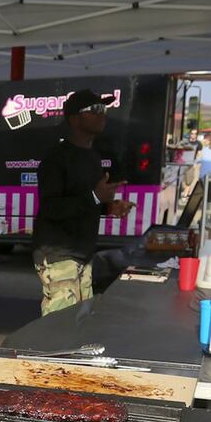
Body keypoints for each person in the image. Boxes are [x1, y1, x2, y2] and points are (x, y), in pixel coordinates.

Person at [33, 90, 130, 314]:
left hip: (83, 254)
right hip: (59, 255)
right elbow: (51, 208)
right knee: (60, 330)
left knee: (79, 326)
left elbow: (84, 202)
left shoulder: (92, 157)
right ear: (75, 119)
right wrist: (96, 197)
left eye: (104, 109)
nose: (103, 115)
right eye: (95, 110)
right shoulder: (56, 158)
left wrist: (108, 206)